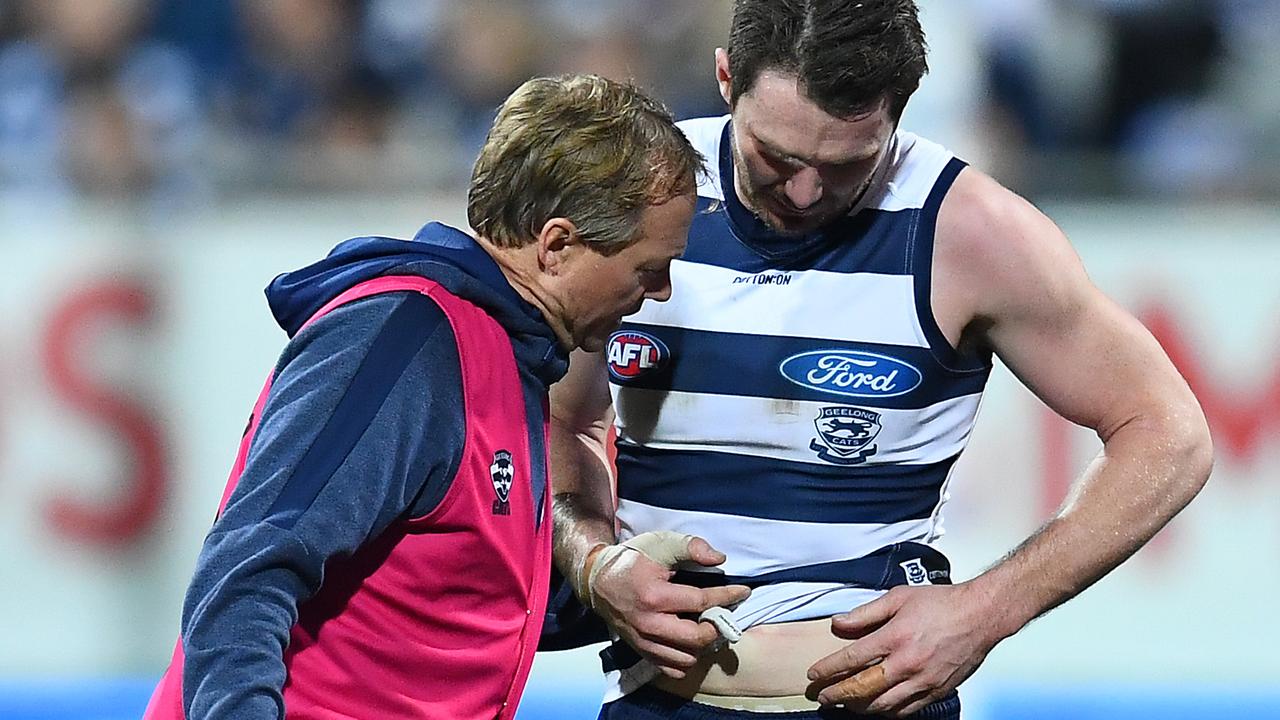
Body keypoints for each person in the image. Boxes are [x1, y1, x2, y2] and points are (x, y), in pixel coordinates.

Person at [547, 2, 1214, 719]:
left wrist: (986, 612)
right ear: (724, 77)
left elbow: (1170, 435)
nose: (804, 192)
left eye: (845, 164)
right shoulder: (637, 201)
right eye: (775, 155)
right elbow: (558, 418)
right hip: (657, 702)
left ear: (901, 110)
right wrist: (592, 561)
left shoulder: (970, 233)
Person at [141, 73, 702, 720]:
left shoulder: (509, 364)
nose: (658, 292)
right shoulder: (407, 340)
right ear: (557, 246)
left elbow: (463, 606)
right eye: (646, 268)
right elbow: (251, 563)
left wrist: (609, 586)